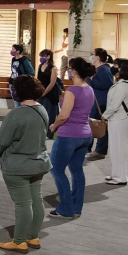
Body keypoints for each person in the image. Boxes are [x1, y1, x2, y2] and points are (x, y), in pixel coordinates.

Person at [0, 76, 51, 252]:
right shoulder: (42, 110)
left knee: (23, 203)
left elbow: (2, 141)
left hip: (18, 165)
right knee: (36, 200)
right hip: (39, 162)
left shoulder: (16, 114)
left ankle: (19, 241)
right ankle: (33, 236)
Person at [49, 57, 96, 219]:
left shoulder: (72, 91)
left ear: (74, 71)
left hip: (68, 135)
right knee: (76, 170)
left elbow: (63, 115)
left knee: (56, 169)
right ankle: (76, 207)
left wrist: (54, 126)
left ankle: (66, 208)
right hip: (85, 135)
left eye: (69, 69)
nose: (68, 71)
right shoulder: (89, 89)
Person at [103, 58, 128, 186]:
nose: (113, 67)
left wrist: (104, 116)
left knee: (119, 149)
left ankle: (121, 177)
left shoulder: (122, 86)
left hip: (119, 119)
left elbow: (114, 105)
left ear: (122, 69)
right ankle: (116, 174)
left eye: (116, 65)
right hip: (117, 119)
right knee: (114, 148)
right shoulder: (122, 83)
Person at [87, 48, 114, 161]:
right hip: (95, 100)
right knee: (92, 124)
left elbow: (105, 84)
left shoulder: (104, 70)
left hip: (101, 102)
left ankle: (100, 150)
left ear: (97, 57)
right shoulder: (98, 69)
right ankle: (88, 147)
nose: (91, 56)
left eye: (92, 54)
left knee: (101, 125)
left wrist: (89, 80)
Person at [37, 49, 61, 138]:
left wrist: (44, 92)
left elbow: (52, 83)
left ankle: (49, 133)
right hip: (41, 93)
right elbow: (38, 80)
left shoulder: (53, 68)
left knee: (49, 114)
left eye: (43, 56)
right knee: (40, 113)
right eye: (41, 56)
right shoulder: (40, 66)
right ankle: (41, 131)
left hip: (50, 94)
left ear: (48, 57)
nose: (41, 58)